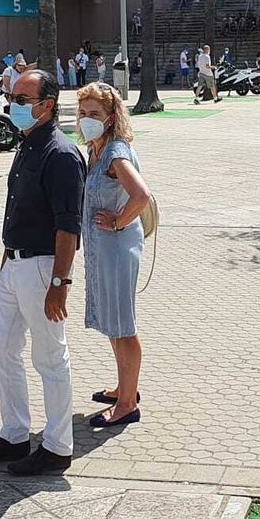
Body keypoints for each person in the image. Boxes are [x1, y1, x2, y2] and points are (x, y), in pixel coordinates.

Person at [0, 69, 83, 476]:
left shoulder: (61, 154)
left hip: (42, 267)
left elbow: (69, 225)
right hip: (14, 265)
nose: (12, 104)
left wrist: (59, 284)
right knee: (2, 347)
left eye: (21, 98)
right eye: (11, 96)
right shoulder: (26, 145)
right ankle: (14, 434)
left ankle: (57, 446)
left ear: (46, 105)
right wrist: (5, 262)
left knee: (50, 358)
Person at [76, 83, 151, 429]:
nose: (87, 119)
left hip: (117, 249)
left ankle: (127, 404)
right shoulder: (96, 148)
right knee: (112, 322)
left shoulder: (115, 153)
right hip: (103, 250)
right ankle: (124, 387)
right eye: (83, 113)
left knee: (123, 325)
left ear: (110, 118)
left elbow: (141, 194)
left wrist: (119, 221)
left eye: (94, 114)